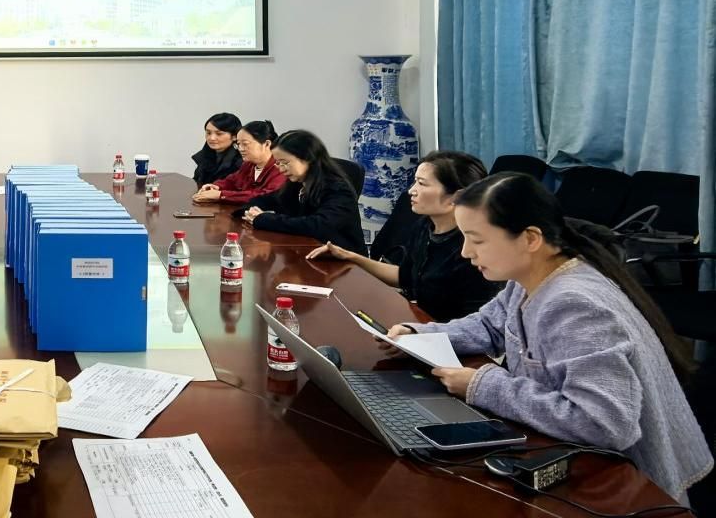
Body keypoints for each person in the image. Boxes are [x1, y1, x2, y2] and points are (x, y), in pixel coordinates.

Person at [384, 173, 712, 503]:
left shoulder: (575, 304)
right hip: (577, 458)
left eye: (477, 240)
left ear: (530, 238)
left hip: (626, 487)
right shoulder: (529, 277)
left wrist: (484, 385)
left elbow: (603, 423)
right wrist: (419, 334)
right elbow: (489, 325)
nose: (466, 252)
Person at [307, 151, 500, 322]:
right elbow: (404, 276)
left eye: (421, 184)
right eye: (415, 181)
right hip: (420, 326)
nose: (411, 191)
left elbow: (478, 325)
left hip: (449, 340)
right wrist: (350, 257)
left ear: (456, 197)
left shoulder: (474, 250)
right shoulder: (424, 226)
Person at [236, 129, 366, 253]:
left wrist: (264, 219)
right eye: (278, 163)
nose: (281, 169)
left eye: (285, 163)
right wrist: (250, 211)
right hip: (307, 251)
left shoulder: (338, 189)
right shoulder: (297, 183)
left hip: (342, 259)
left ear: (308, 158)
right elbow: (268, 200)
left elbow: (318, 225)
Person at [192, 120, 285, 204]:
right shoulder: (249, 164)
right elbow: (232, 181)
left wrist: (221, 195)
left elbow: (264, 196)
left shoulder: (281, 167)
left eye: (245, 144)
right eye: (238, 144)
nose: (240, 149)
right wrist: (215, 187)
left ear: (267, 144)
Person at [191, 112, 243, 187]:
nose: (212, 138)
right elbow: (196, 182)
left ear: (234, 136)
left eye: (219, 134)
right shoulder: (205, 155)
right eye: (208, 133)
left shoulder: (241, 161)